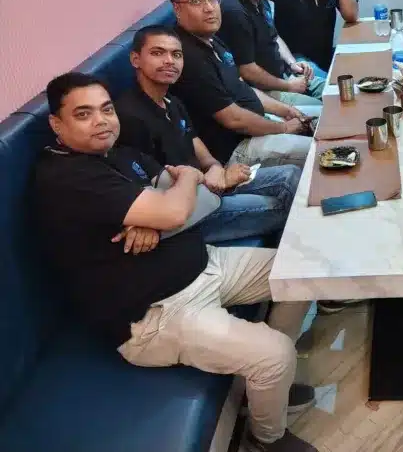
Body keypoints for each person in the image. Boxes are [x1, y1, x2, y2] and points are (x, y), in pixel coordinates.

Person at [35, 72, 318, 452]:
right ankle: (266, 439)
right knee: (274, 355)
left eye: (106, 109)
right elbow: (178, 203)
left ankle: (266, 385)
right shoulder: (66, 177)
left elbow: (207, 199)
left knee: (301, 273)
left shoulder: (119, 154)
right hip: (156, 313)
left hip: (206, 265)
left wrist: (161, 211)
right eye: (83, 114)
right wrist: (180, 188)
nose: (101, 121)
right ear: (57, 124)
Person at [115, 25, 301, 245]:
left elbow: (198, 147)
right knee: (284, 206)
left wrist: (216, 169)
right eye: (158, 53)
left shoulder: (173, 103)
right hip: (191, 210)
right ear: (135, 59)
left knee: (290, 175)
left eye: (176, 55)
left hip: (207, 187)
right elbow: (155, 190)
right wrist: (213, 181)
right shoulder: (129, 117)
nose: (169, 61)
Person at [165, 0, 317, 170]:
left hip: (258, 125)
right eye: (196, 1)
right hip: (237, 149)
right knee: (320, 150)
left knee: (324, 120)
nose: (209, 8)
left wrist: (287, 111)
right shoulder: (187, 57)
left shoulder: (211, 39)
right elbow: (233, 119)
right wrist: (283, 127)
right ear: (177, 8)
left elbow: (242, 87)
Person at [218, 0, 326, 107]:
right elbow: (247, 70)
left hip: (284, 75)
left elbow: (274, 36)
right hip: (264, 91)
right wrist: (289, 86)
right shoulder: (234, 12)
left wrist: (292, 63)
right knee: (323, 111)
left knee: (336, 90)